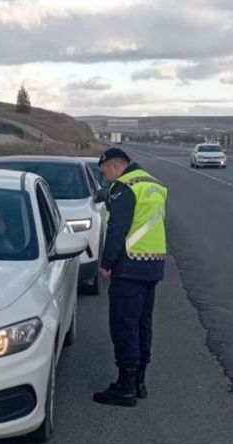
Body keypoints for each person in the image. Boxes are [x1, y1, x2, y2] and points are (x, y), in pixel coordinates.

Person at [93, 148, 168, 407]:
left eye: (104, 173)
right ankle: (139, 382)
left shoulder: (124, 187)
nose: (105, 178)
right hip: (153, 263)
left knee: (124, 325)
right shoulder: (154, 184)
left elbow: (118, 228)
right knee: (141, 325)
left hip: (129, 266)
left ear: (115, 166)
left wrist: (106, 262)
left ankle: (125, 387)